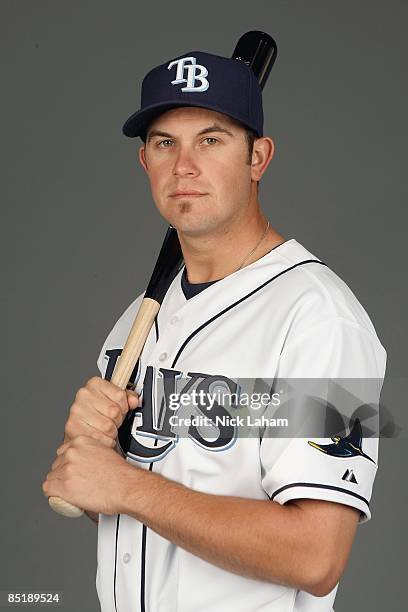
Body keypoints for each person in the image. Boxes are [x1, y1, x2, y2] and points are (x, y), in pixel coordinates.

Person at [43, 50, 387, 611]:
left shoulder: (317, 318)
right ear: (144, 161)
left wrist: (128, 486)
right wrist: (92, 472)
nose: (184, 166)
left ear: (258, 157)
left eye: (211, 139)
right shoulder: (134, 323)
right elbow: (143, 521)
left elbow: (316, 558)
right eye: (164, 143)